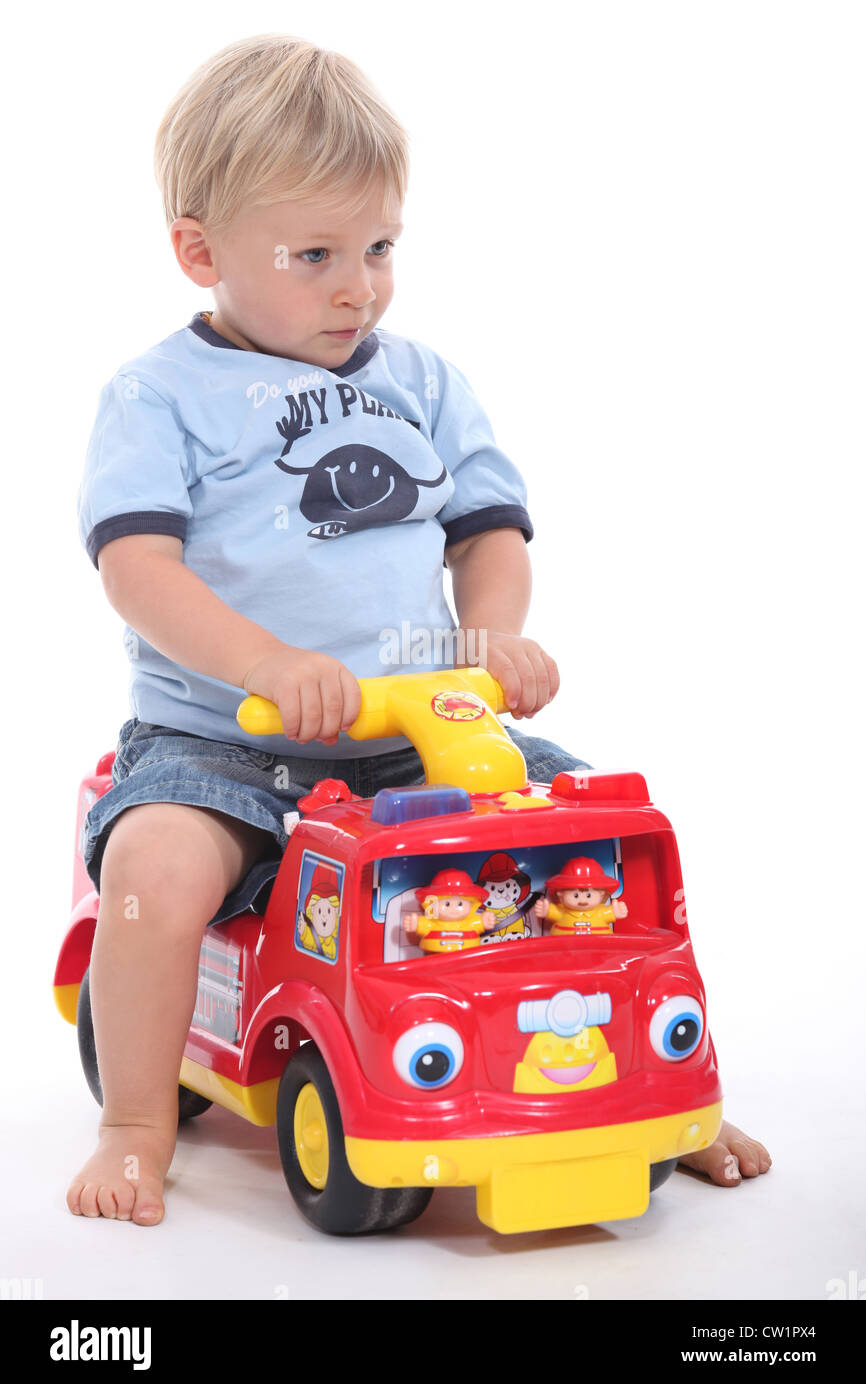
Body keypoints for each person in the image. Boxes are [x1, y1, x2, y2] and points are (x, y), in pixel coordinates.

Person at [67, 34, 770, 1225]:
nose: (359, 287)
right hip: (223, 740)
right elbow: (138, 566)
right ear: (200, 252)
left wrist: (490, 639)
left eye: (380, 247)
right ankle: (135, 1118)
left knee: (590, 839)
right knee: (155, 871)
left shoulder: (425, 382)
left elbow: (488, 533)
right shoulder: (156, 396)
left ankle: (647, 1089)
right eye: (315, 256)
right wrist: (265, 666)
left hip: (414, 739)